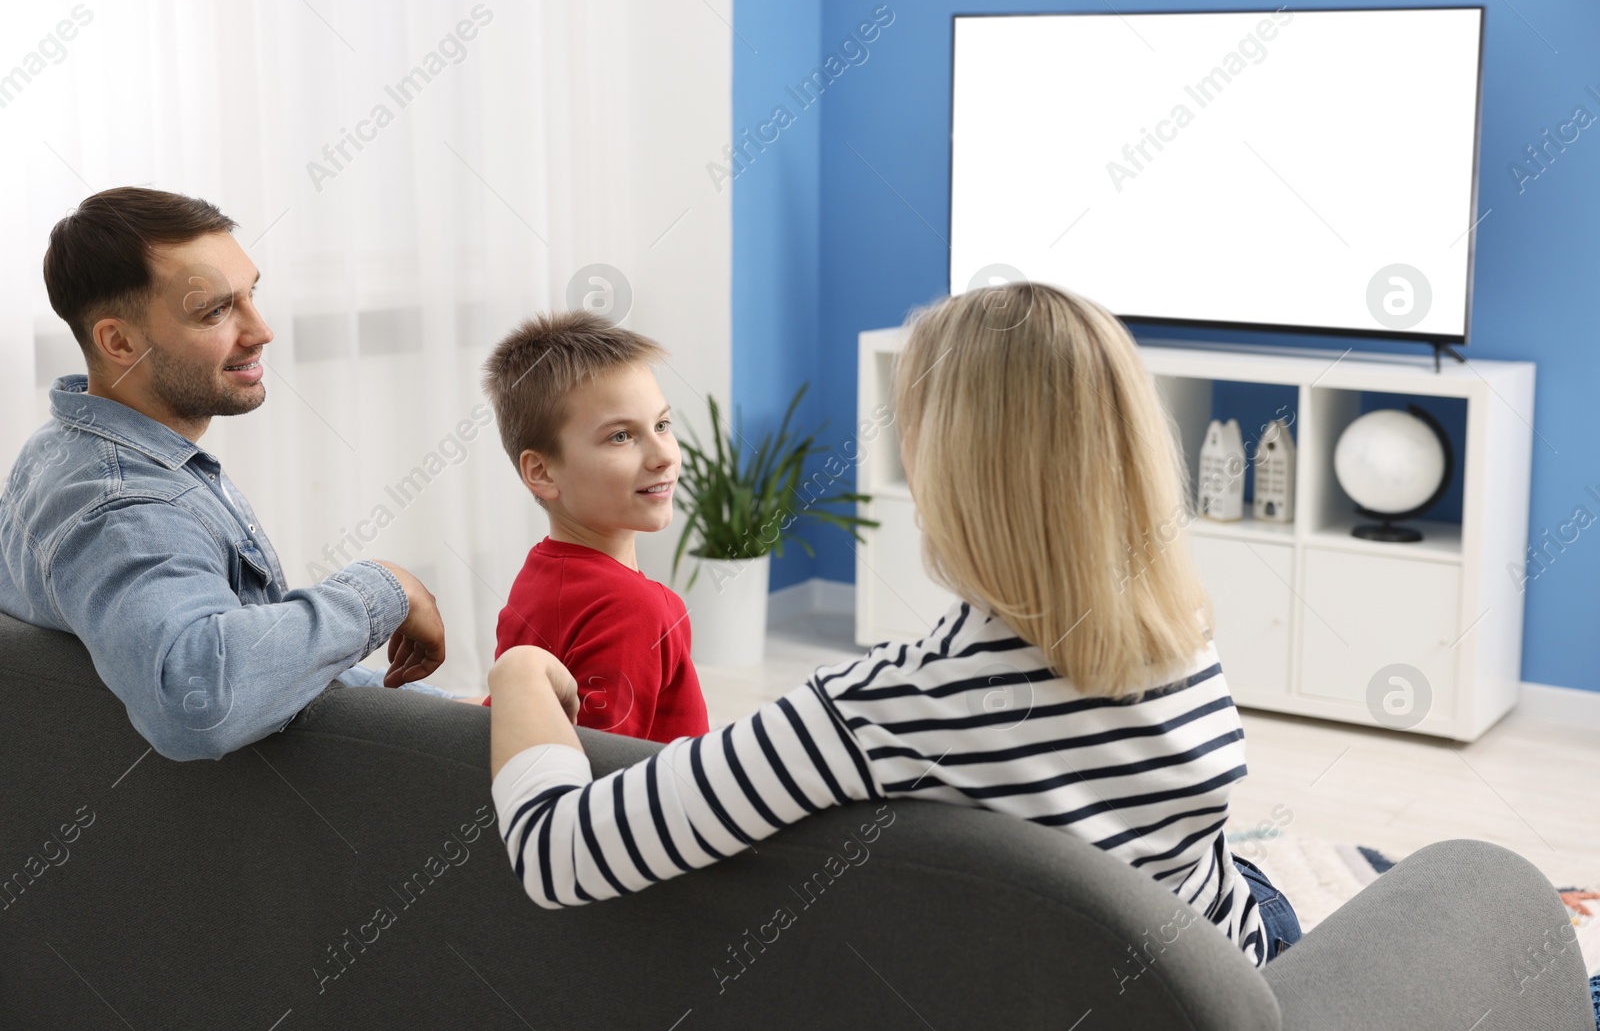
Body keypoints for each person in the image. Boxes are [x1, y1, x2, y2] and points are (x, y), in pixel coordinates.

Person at [484, 282, 1303, 966]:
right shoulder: (1184, 630)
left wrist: (518, 669)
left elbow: (561, 853)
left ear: (948, 460)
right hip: (1226, 964)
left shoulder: (889, 703)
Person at [0, 187, 472, 763]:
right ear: (119, 341)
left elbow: (264, 675)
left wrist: (455, 711)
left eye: (250, 295)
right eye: (216, 311)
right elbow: (200, 697)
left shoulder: (63, 447)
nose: (261, 330)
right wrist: (384, 588)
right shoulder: (126, 508)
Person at [478, 312, 709, 743]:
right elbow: (605, 775)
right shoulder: (639, 608)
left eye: (661, 425)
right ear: (543, 473)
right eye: (621, 436)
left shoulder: (539, 572)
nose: (664, 456)